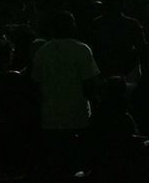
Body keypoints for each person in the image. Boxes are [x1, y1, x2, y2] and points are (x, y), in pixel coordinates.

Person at [31, 12, 100, 171]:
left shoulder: (42, 51)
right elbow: (90, 85)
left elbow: (36, 85)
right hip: (77, 117)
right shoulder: (82, 49)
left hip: (50, 118)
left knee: (55, 166)